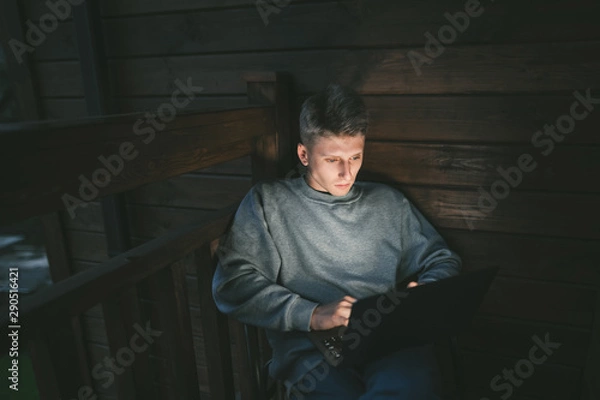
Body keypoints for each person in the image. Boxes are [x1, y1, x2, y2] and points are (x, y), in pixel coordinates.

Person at [212, 84, 461, 399]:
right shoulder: (269, 203)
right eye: (332, 160)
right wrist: (312, 314)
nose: (347, 172)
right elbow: (232, 284)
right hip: (311, 349)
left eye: (355, 156)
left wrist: (428, 291)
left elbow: (442, 259)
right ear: (304, 154)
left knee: (410, 388)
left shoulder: (387, 202)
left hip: (388, 338)